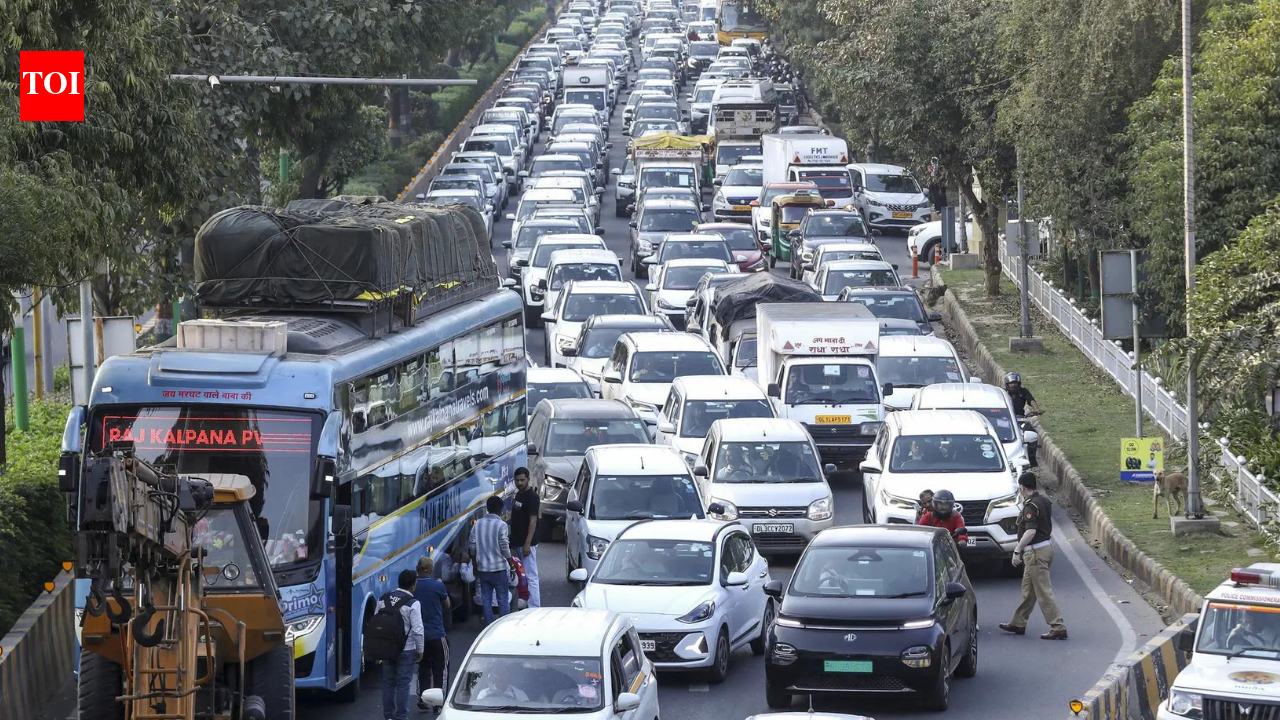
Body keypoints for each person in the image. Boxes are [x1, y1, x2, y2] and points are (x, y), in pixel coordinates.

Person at [1000, 473, 1068, 640]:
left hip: (1036, 553)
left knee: (1043, 591)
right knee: (1028, 590)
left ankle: (1057, 626)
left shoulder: (1031, 506)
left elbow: (1030, 531)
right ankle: (1018, 622)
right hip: (1044, 549)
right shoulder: (1043, 500)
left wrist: (1017, 550)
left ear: (1022, 487)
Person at [381, 569, 425, 720]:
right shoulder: (413, 603)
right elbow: (418, 630)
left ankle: (388, 716)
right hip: (407, 649)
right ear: (413, 585)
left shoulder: (383, 599)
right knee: (403, 684)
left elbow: (376, 623)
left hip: (387, 648)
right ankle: (400, 717)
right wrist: (420, 650)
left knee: (388, 683)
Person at [414, 557, 451, 714]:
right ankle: (438, 703)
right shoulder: (437, 585)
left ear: (418, 568)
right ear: (430, 570)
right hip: (436, 634)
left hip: (420, 635)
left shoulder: (413, 586)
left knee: (423, 667)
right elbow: (447, 605)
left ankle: (423, 699)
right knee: (440, 668)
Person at [469, 495, 511, 624]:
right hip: (499, 569)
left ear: (487, 508)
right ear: (501, 509)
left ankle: (488, 627)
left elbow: (472, 546)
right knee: (502, 600)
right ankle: (503, 626)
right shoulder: (501, 525)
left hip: (483, 569)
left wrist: (475, 563)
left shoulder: (478, 524)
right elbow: (504, 544)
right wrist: (510, 561)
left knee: (486, 600)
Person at [509, 467, 541, 608]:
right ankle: (526, 602)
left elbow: (533, 521)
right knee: (521, 575)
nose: (520, 483)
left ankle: (534, 607)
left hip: (527, 544)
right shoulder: (519, 495)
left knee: (530, 576)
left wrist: (527, 544)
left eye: (522, 480)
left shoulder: (532, 497)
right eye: (517, 480)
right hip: (517, 542)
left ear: (528, 479)